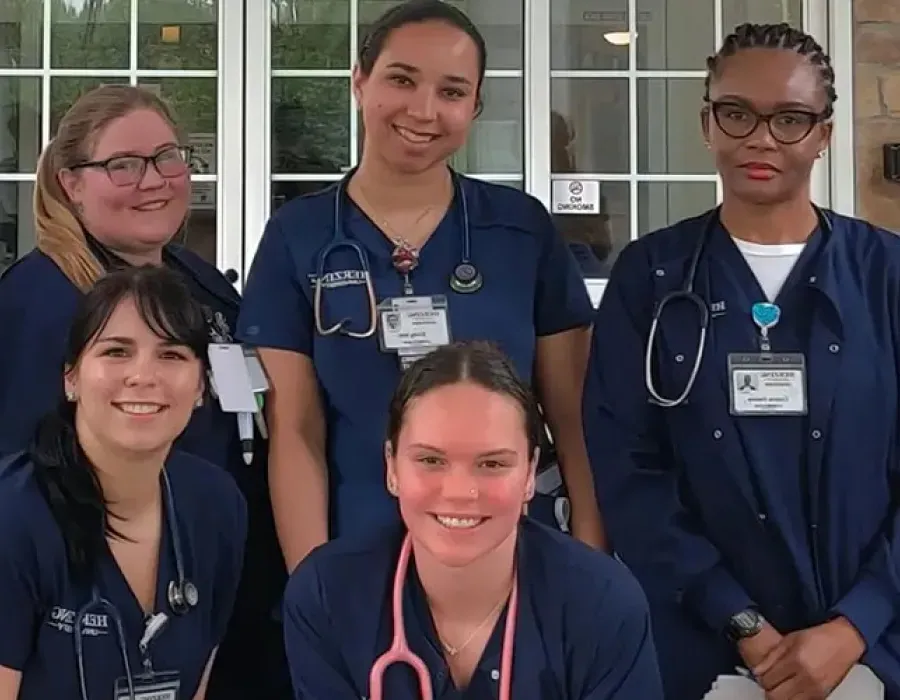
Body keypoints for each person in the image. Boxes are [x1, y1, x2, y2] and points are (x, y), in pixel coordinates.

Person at [583, 22, 900, 700]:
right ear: (708, 124)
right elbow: (626, 466)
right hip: (698, 649)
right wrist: (741, 622)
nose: (761, 138)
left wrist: (856, 623)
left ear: (824, 134)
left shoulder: (888, 276)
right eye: (737, 113)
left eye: (790, 119)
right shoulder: (650, 276)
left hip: (876, 649)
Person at [236, 0, 604, 576]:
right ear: (360, 82)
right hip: (359, 553)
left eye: (452, 92)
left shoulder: (520, 231)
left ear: (475, 106)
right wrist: (316, 587)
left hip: (516, 557)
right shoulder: (298, 237)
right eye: (401, 80)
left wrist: (589, 555)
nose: (423, 110)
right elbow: (296, 433)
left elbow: (576, 420)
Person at [0, 85, 289, 699]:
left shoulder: (196, 281)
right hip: (95, 622)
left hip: (212, 594)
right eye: (123, 165)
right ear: (70, 182)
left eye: (167, 157)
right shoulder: (41, 302)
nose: (154, 179)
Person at [282, 341, 662, 699]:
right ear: (391, 467)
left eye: (492, 463)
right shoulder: (326, 597)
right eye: (431, 460)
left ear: (530, 473)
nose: (461, 492)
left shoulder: (604, 605)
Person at [0, 265, 246, 700]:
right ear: (71, 377)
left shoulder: (216, 506)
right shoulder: (14, 518)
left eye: (171, 355)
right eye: (116, 352)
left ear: (201, 387)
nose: (143, 376)